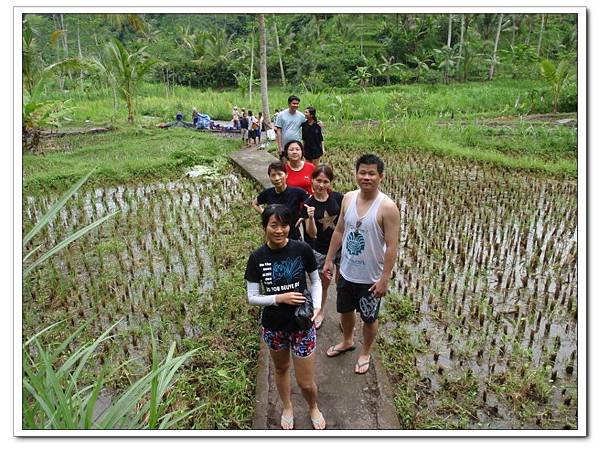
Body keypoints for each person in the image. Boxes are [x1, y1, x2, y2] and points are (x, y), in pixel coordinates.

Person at [245, 204, 326, 430]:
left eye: (284, 225)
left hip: (302, 324)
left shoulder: (301, 250)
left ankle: (313, 407)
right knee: (280, 369)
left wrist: (317, 306)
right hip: (274, 325)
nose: (279, 230)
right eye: (273, 225)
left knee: (306, 382)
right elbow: (252, 297)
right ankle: (287, 406)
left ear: (289, 226)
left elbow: (316, 280)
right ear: (265, 227)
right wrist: (278, 298)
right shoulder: (257, 258)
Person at [323, 154, 400, 375]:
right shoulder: (347, 198)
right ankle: (347, 341)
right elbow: (339, 231)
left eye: (371, 173)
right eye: (362, 172)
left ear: (381, 177)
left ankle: (365, 352)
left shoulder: (387, 207)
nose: (366, 177)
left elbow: (392, 246)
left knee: (369, 317)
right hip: (347, 271)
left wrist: (384, 279)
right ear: (356, 174)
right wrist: (329, 259)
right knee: (345, 310)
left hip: (370, 277)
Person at [302, 165, 344, 330]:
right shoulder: (308, 204)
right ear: (312, 180)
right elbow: (311, 234)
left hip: (341, 247)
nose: (321, 185)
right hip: (320, 250)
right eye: (318, 180)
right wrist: (311, 217)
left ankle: (344, 316)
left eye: (325, 181)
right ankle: (321, 311)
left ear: (330, 183)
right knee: (323, 283)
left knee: (342, 283)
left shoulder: (338, 198)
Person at [252, 161, 309, 241]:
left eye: (279, 174)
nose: (277, 178)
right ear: (269, 177)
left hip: (293, 236)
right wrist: (265, 213)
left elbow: (311, 202)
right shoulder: (268, 193)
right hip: (274, 237)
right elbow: (255, 203)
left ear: (286, 175)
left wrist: (304, 216)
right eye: (273, 175)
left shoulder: (297, 192)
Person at [275, 96, 307, 162]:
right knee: (285, 165)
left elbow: (308, 124)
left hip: (296, 145)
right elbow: (278, 131)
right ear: (289, 104)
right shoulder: (281, 115)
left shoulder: (301, 116)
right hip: (284, 145)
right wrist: (280, 147)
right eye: (294, 103)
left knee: (297, 164)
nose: (296, 105)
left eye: (297, 104)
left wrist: (318, 123)